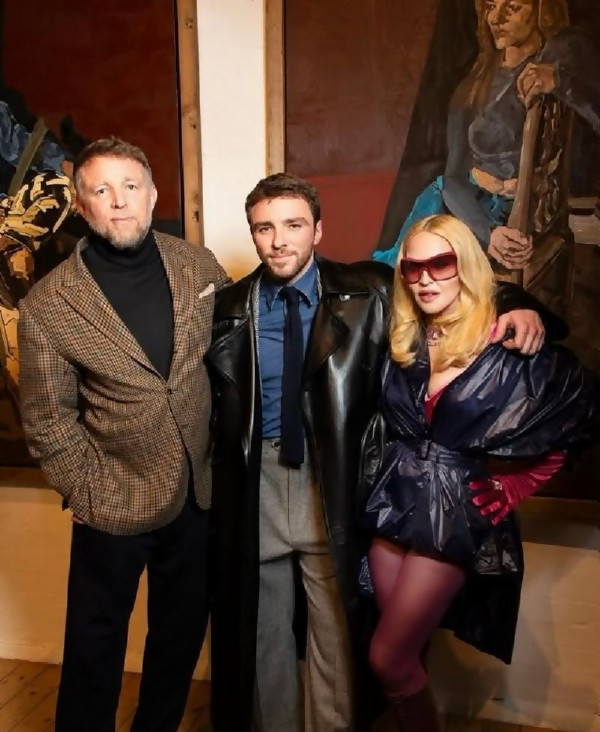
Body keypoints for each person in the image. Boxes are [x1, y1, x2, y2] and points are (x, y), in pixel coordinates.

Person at [205, 172, 560, 732]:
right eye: (264, 228)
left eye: (293, 225)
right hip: (257, 479)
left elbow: (442, 288)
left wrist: (516, 303)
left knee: (336, 629)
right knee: (262, 627)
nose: (279, 240)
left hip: (335, 476)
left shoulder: (367, 289)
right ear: (252, 233)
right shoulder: (228, 307)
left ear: (318, 230)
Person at [17, 137, 230, 731]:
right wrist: (88, 493)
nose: (119, 201)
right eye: (101, 190)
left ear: (152, 194)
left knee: (179, 639)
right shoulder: (49, 305)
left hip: (195, 494)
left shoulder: (198, 266)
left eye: (130, 186)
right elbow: (47, 419)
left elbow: (237, 347)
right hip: (111, 500)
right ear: (81, 205)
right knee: (94, 653)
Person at [361, 214, 599, 730]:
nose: (425, 278)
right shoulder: (403, 336)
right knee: (406, 651)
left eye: (440, 263)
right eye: (413, 267)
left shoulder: (504, 336)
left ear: (465, 264)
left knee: (388, 658)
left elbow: (584, 410)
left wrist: (518, 482)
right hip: (392, 502)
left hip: (451, 514)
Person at [373, 0, 600, 270]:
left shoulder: (560, 59)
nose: (497, 18)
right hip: (465, 206)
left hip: (529, 213)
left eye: (512, 7)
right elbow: (452, 179)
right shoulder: (471, 88)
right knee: (408, 270)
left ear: (542, 11)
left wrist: (560, 80)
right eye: (491, 6)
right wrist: (489, 232)